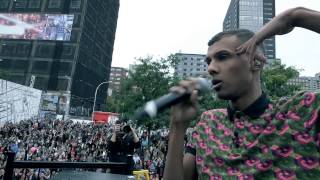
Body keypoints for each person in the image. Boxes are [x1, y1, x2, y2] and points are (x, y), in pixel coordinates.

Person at [164, 7, 320, 180]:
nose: (211, 68)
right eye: (209, 61)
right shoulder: (208, 123)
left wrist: (297, 16)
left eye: (223, 57)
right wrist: (177, 127)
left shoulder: (302, 111)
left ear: (256, 62)